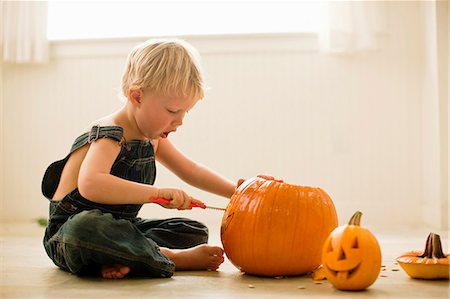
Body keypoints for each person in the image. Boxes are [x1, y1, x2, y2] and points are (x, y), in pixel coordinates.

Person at [41, 38, 263, 279]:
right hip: (68, 234)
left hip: (121, 230)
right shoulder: (110, 133)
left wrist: (239, 194)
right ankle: (170, 257)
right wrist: (155, 194)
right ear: (137, 96)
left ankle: (122, 257)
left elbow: (192, 170)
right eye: (172, 111)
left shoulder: (153, 138)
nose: (179, 122)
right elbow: (91, 184)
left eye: (185, 112)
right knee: (87, 228)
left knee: (192, 231)